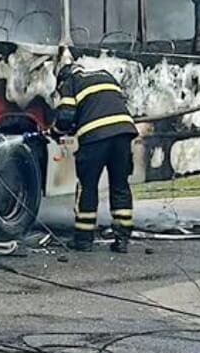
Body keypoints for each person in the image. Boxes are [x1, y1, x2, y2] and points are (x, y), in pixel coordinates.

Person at [53, 60, 139, 253]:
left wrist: (55, 131)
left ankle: (83, 240)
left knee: (88, 187)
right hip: (123, 133)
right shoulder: (105, 75)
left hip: (95, 138)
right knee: (120, 186)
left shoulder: (70, 82)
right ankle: (122, 240)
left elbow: (66, 116)